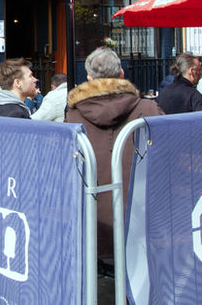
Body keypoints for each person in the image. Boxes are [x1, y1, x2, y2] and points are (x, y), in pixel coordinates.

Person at [65, 47, 162, 258]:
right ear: (121, 74)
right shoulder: (149, 109)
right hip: (139, 221)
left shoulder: (73, 117)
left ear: (89, 78)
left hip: (93, 224)